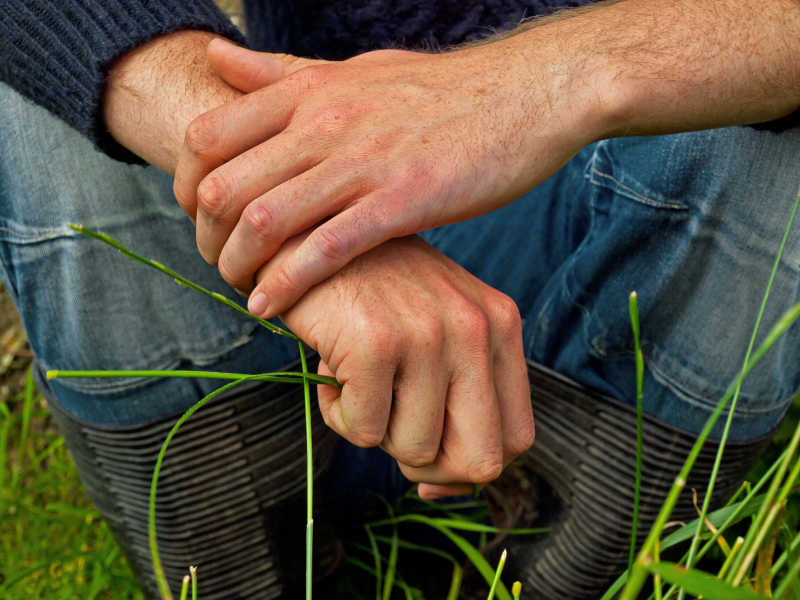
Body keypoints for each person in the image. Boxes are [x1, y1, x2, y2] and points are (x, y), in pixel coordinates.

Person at [2, 1, 799, 598]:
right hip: (282, 343)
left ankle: (591, 564)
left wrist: (560, 78)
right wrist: (306, 215)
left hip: (610, 255)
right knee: (60, 82)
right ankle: (239, 559)